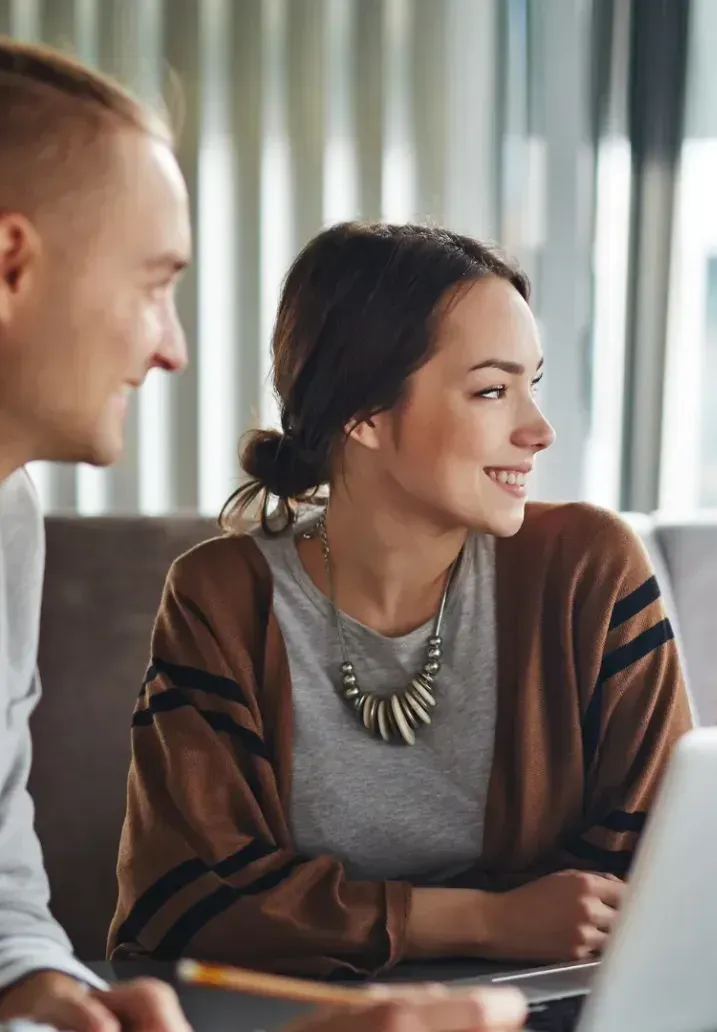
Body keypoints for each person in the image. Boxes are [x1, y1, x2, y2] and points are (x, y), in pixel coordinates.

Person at [0, 38, 524, 1032]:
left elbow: (1, 904)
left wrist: (58, 999)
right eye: (155, 283)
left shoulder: (8, 517)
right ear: (12, 265)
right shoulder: (222, 596)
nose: (173, 346)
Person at [109, 221, 692, 976]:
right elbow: (184, 900)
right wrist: (490, 919)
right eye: (492, 390)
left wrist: (323, 914)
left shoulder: (588, 569)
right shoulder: (220, 599)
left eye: (532, 384)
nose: (538, 430)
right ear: (366, 415)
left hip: (543, 1005)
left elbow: (660, 865)